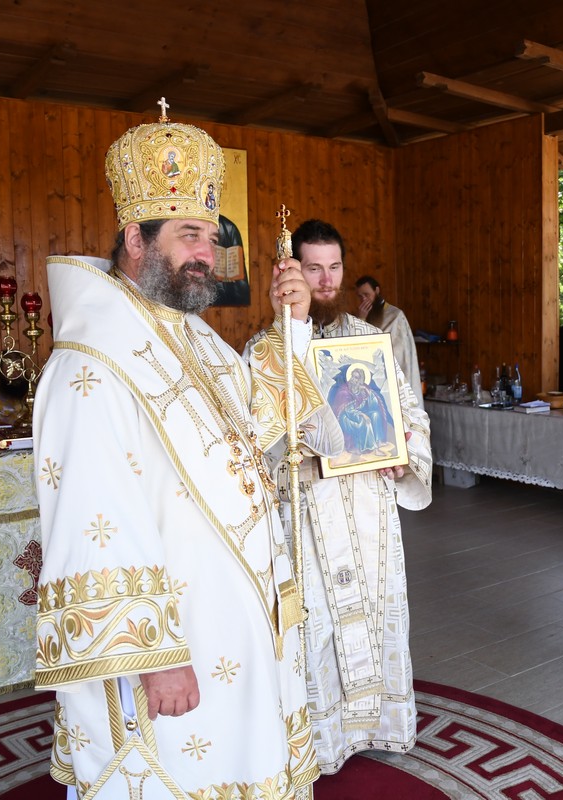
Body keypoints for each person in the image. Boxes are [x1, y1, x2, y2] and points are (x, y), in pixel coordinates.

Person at [32, 116, 340, 799]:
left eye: (211, 236)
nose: (207, 253)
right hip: (178, 641)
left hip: (232, 616)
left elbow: (255, 416)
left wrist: (290, 324)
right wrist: (153, 658)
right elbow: (94, 519)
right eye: (188, 236)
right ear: (135, 240)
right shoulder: (93, 362)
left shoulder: (187, 334)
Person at [247, 219, 432, 775]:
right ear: (291, 272)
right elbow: (261, 435)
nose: (325, 281)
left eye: (334, 269)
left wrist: (405, 455)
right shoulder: (267, 346)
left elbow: (409, 412)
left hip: (370, 506)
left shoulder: (370, 341)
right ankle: (323, 738)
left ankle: (377, 724)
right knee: (321, 624)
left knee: (376, 615)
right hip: (308, 512)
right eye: (312, 269)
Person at [355, 275, 423, 405]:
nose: (364, 300)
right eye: (360, 296)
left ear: (377, 291)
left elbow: (400, 353)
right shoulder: (361, 316)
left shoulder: (395, 316)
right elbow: (359, 347)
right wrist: (361, 320)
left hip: (391, 377)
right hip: (371, 380)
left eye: (366, 294)